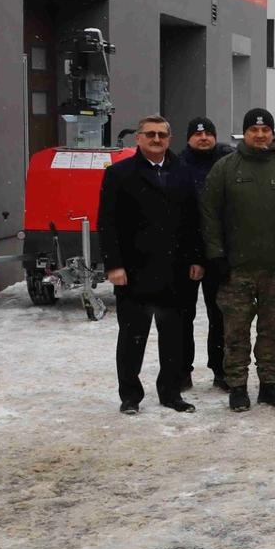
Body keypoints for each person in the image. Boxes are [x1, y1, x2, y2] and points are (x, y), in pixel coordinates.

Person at [200, 108, 275, 412]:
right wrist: (216, 256)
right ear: (245, 133)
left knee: (271, 331)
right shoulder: (225, 169)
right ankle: (237, 386)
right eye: (254, 130)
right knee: (235, 332)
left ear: (272, 133)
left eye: (266, 130)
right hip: (235, 269)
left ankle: (269, 384)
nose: (260, 135)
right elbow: (209, 217)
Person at [100, 115, 204, 414]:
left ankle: (171, 393)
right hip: (134, 272)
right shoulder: (120, 174)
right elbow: (107, 223)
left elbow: (193, 220)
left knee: (174, 338)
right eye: (150, 134)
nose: (156, 140)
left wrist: (197, 258)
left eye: (162, 134)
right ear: (139, 138)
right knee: (133, 337)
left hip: (175, 271)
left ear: (169, 139)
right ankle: (130, 396)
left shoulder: (182, 172)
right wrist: (114, 265)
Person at [177, 116, 231, 391]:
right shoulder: (177, 166)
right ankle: (182, 371)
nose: (204, 138)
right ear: (188, 138)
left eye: (208, 133)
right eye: (198, 134)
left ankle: (220, 369)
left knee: (219, 316)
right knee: (182, 317)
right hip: (185, 257)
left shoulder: (225, 164)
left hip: (218, 254)